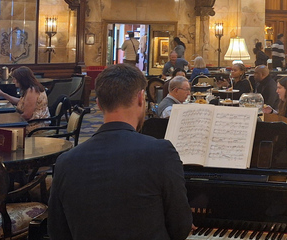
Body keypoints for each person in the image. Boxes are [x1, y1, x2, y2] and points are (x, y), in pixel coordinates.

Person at [49, 64, 192, 240]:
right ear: (141, 98)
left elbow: (57, 232)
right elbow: (181, 229)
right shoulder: (162, 153)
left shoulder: (66, 162)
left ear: (99, 104)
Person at [0, 66, 50, 134]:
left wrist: (10, 120)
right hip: (31, 123)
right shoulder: (30, 89)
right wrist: (2, 94)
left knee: (0, 129)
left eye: (15, 79)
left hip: (34, 126)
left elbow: (27, 115)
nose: (13, 81)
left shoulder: (32, 91)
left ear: (21, 80)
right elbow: (20, 102)